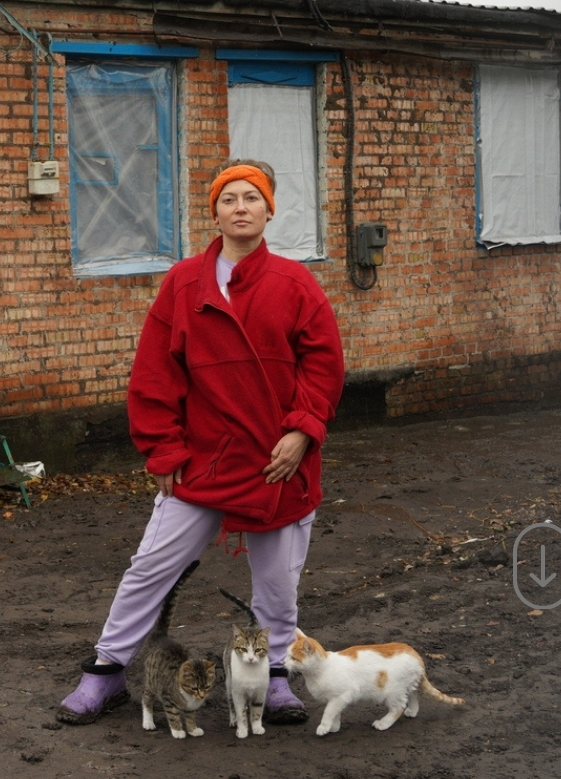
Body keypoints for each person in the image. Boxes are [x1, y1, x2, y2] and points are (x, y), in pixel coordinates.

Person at [57, 159, 345, 726]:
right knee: (150, 567)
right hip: (203, 462)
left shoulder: (296, 285)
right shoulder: (183, 283)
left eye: (252, 198)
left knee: (278, 583)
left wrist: (302, 431)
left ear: (269, 210)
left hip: (277, 465)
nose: (241, 208)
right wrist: (163, 450)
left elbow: (325, 366)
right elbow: (153, 376)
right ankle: (106, 670)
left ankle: (276, 677)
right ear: (213, 212)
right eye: (229, 199)